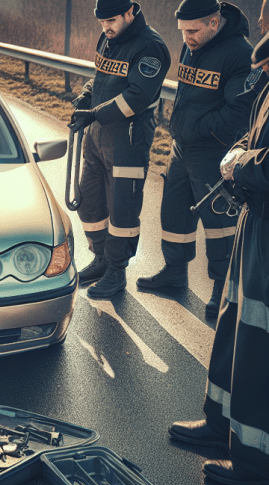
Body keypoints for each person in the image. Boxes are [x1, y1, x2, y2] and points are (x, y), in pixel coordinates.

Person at [167, 32, 269, 485]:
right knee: (232, 321)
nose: (262, 73)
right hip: (256, 217)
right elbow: (252, 133)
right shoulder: (267, 79)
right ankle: (221, 426)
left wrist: (240, 164)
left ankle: (256, 464)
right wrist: (237, 152)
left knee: (257, 340)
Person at [136, 0, 263, 319]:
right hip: (181, 148)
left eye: (193, 30)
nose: (187, 37)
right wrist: (182, 129)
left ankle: (222, 290)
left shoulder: (239, 55)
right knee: (174, 212)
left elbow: (239, 113)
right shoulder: (192, 45)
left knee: (219, 224)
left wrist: (195, 128)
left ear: (215, 22)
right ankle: (174, 273)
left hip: (212, 151)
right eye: (183, 31)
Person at [68, 0, 171, 299]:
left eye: (111, 20)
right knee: (89, 200)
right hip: (98, 135)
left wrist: (97, 113)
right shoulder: (108, 36)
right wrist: (86, 98)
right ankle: (100, 257)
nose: (105, 27)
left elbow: (137, 97)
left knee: (122, 209)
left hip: (128, 138)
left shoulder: (150, 46)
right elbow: (100, 78)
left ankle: (116, 271)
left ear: (130, 13)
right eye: (101, 22)